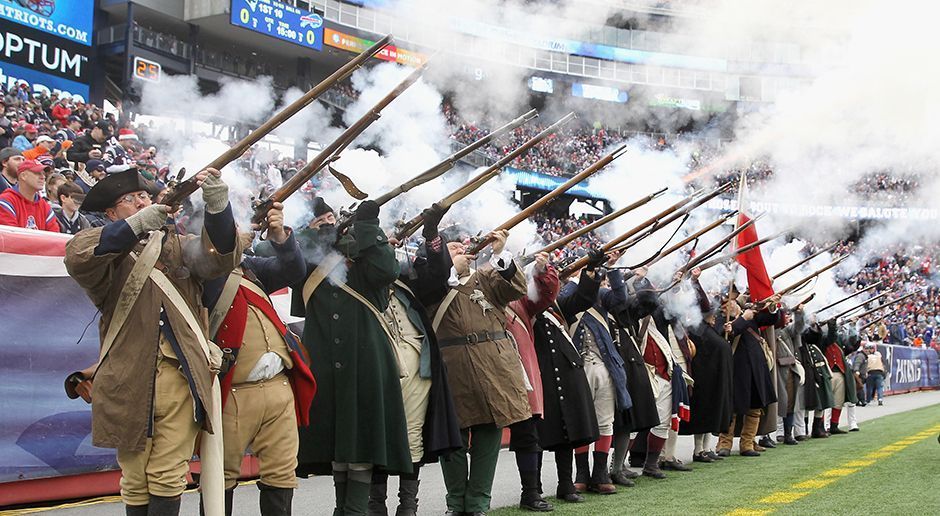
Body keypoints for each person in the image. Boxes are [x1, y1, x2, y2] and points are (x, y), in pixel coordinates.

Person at [63, 167, 242, 515]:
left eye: (144, 197)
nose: (141, 202)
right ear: (112, 214)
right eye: (129, 201)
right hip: (127, 377)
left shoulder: (178, 245)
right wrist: (138, 224)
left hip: (179, 376)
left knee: (167, 476)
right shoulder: (102, 246)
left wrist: (218, 205)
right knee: (134, 478)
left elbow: (222, 255)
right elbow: (77, 257)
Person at [292, 198, 411, 516]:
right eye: (322, 220)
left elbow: (387, 269)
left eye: (333, 218)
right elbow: (282, 258)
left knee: (360, 447)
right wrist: (315, 235)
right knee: (338, 446)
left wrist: (367, 226)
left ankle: (354, 511)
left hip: (366, 361)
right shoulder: (307, 254)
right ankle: (342, 509)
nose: (329, 222)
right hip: (324, 364)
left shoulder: (365, 251)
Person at [202, 201, 315, 516]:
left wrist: (279, 237)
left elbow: (293, 270)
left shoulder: (250, 267)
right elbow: (210, 280)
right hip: (233, 391)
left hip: (278, 387)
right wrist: (232, 247)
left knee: (281, 473)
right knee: (220, 476)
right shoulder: (201, 268)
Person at [422, 229, 530, 516]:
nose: (458, 250)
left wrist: (499, 254)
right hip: (451, 366)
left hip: (493, 365)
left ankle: (479, 503)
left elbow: (515, 288)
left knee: (489, 435)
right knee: (452, 438)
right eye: (451, 247)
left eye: (460, 245)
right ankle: (456, 503)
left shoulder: (484, 277)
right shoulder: (432, 282)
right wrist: (448, 270)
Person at [368, 204, 462, 516]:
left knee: (414, 437)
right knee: (378, 437)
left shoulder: (407, 280)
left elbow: (437, 275)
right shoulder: (359, 277)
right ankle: (375, 505)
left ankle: (408, 505)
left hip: (419, 371)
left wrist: (432, 233)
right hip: (378, 371)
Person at [532, 260, 601, 503]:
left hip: (566, 371)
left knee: (567, 433)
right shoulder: (524, 303)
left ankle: (566, 484)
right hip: (541, 373)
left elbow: (582, 299)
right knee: (538, 434)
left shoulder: (556, 307)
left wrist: (590, 273)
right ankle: (534, 488)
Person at [504, 251, 556, 512]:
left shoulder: (517, 298)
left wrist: (541, 269)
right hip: (489, 368)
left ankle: (531, 492)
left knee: (528, 434)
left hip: (520, 370)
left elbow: (546, 295)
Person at [680, 271, 734, 461]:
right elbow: (702, 302)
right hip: (703, 380)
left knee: (709, 414)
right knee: (702, 413)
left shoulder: (707, 329)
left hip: (712, 380)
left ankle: (704, 448)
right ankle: (698, 450)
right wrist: (695, 280)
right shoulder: (697, 330)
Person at [717, 295, 780, 457]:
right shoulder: (723, 320)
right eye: (723, 305)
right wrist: (743, 318)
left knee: (754, 407)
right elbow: (727, 334)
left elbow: (771, 319)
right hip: (735, 369)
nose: (726, 308)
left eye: (728, 303)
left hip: (756, 367)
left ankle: (747, 443)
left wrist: (773, 306)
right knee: (732, 408)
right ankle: (724, 444)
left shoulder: (751, 316)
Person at [773, 306, 806, 445]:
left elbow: (798, 327)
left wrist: (799, 312)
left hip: (787, 371)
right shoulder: (767, 331)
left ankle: (788, 434)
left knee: (790, 403)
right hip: (773, 371)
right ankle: (768, 435)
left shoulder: (785, 331)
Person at [0, 159, 60, 232]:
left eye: (43, 174)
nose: (43, 177)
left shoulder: (44, 206)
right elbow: (11, 237)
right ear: (23, 176)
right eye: (37, 173)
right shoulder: (6, 201)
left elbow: (54, 236)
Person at [824, 320, 859, 434]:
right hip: (827, 372)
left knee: (838, 401)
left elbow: (852, 345)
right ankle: (825, 426)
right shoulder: (823, 338)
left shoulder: (840, 340)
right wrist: (832, 325)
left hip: (840, 373)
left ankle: (834, 425)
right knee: (827, 402)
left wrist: (853, 327)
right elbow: (830, 336)